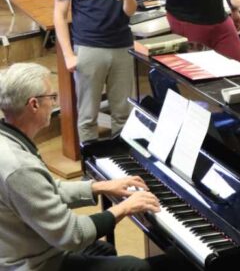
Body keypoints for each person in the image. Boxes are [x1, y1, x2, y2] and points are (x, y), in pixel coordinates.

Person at [0, 62, 160, 270]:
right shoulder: (18, 166)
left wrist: (97, 187)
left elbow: (42, 190)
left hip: (33, 245)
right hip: (32, 264)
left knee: (103, 250)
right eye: (51, 97)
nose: (54, 103)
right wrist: (125, 207)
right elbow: (72, 235)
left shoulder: (8, 141)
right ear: (34, 104)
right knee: (135, 267)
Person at [54, 0, 136, 144]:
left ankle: (122, 165)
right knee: (88, 115)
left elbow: (129, 11)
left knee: (122, 112)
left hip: (121, 44)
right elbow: (59, 15)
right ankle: (92, 168)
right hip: (89, 46)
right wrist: (69, 54)